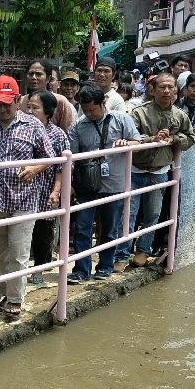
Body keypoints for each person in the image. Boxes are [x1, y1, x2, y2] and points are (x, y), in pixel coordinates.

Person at [0, 75, 56, 318]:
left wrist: (34, 168)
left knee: (19, 252)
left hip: (23, 200)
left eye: (7, 103)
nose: (2, 108)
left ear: (18, 100)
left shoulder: (33, 125)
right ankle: (8, 291)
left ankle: (15, 299)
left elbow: (50, 157)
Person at [113, 72, 195, 271]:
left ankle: (143, 250)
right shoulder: (139, 113)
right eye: (162, 87)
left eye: (170, 87)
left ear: (176, 90)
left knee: (153, 214)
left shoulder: (180, 115)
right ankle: (122, 254)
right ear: (153, 89)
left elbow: (191, 137)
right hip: (135, 170)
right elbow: (128, 136)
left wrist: (174, 140)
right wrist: (152, 139)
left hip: (160, 171)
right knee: (128, 214)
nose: (166, 91)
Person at [66, 84, 140, 283]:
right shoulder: (78, 126)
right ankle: (81, 269)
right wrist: (71, 183)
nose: (89, 113)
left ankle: (105, 266)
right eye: (86, 110)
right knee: (82, 228)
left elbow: (137, 142)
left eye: (93, 109)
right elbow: (71, 157)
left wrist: (126, 143)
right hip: (87, 185)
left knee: (110, 228)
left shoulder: (122, 119)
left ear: (103, 103)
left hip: (114, 183)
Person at [25, 90, 66, 285]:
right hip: (23, 190)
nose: (31, 112)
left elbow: (61, 166)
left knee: (42, 232)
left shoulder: (57, 134)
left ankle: (39, 270)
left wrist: (56, 191)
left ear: (48, 111)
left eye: (36, 108)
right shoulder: (22, 128)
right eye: (29, 107)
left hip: (45, 189)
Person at [19, 59, 74, 133]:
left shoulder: (60, 101)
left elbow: (68, 131)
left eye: (38, 74)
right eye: (30, 74)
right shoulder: (21, 101)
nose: (34, 77)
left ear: (48, 78)